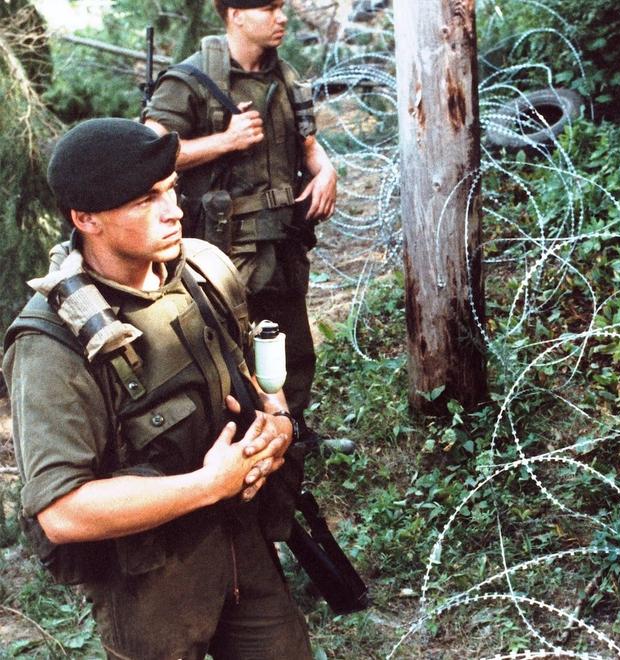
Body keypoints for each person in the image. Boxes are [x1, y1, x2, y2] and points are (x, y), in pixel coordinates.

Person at [3, 118, 312, 658]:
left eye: (171, 188)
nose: (175, 210)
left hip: (246, 545)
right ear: (86, 219)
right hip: (152, 588)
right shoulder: (52, 344)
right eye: (147, 199)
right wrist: (209, 484)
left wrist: (278, 422)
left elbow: (253, 368)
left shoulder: (206, 267)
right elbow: (63, 511)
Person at [144, 0, 337, 444]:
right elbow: (150, 153)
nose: (282, 17)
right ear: (235, 15)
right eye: (269, 8)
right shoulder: (189, 80)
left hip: (284, 238)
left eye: (282, 7)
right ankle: (236, 441)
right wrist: (225, 141)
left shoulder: (283, 75)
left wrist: (326, 171)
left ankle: (294, 434)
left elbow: (309, 144)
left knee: (291, 343)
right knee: (230, 349)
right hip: (223, 248)